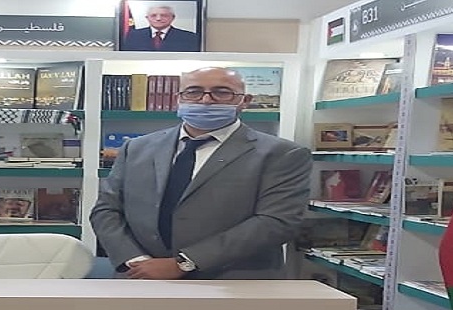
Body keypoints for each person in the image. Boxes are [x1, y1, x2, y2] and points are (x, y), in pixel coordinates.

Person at [90, 67, 312, 280]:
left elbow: (276, 221)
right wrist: (135, 261)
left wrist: (184, 263)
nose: (205, 100)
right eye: (193, 91)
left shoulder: (282, 154)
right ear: (178, 98)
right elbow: (106, 209)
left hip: (235, 283)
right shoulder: (136, 148)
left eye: (221, 92)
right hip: (141, 278)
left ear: (244, 101)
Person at [122, 5, 199, 52]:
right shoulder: (134, 35)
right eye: (153, 15)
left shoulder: (188, 37)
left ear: (172, 18)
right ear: (147, 18)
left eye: (164, 15)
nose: (158, 18)